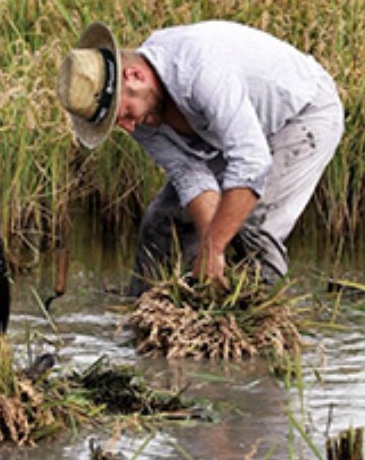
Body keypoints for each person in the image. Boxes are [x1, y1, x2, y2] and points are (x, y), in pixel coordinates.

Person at [56, 20, 343, 291]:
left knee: (251, 227)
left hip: (302, 114)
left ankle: (260, 328)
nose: (128, 127)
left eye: (125, 113)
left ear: (135, 76)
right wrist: (210, 243)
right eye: (118, 122)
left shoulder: (198, 70)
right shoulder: (138, 113)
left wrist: (214, 247)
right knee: (163, 223)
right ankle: (149, 320)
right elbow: (189, 174)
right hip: (229, 133)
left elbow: (251, 162)